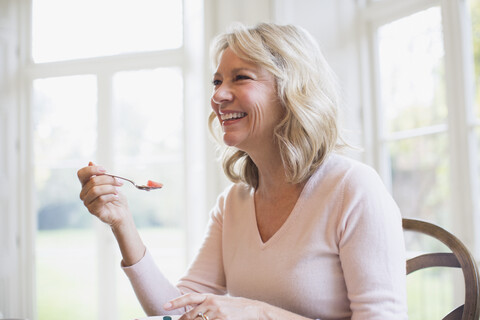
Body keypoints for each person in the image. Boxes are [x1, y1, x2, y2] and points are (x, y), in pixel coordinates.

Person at [78, 22, 408, 320]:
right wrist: (122, 222)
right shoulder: (233, 203)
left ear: (292, 90)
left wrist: (261, 314)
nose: (218, 96)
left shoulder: (353, 188)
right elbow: (180, 309)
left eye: (241, 77)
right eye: (217, 81)